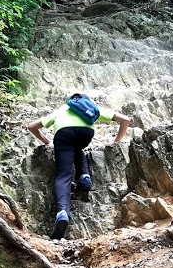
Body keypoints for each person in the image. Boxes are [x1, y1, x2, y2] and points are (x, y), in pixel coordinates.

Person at [27, 95, 130, 240]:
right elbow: (126, 120)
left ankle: (62, 212)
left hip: (64, 134)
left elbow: (32, 127)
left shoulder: (63, 109)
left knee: (63, 174)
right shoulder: (91, 108)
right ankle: (84, 176)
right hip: (85, 134)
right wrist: (117, 142)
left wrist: (46, 141)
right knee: (77, 148)